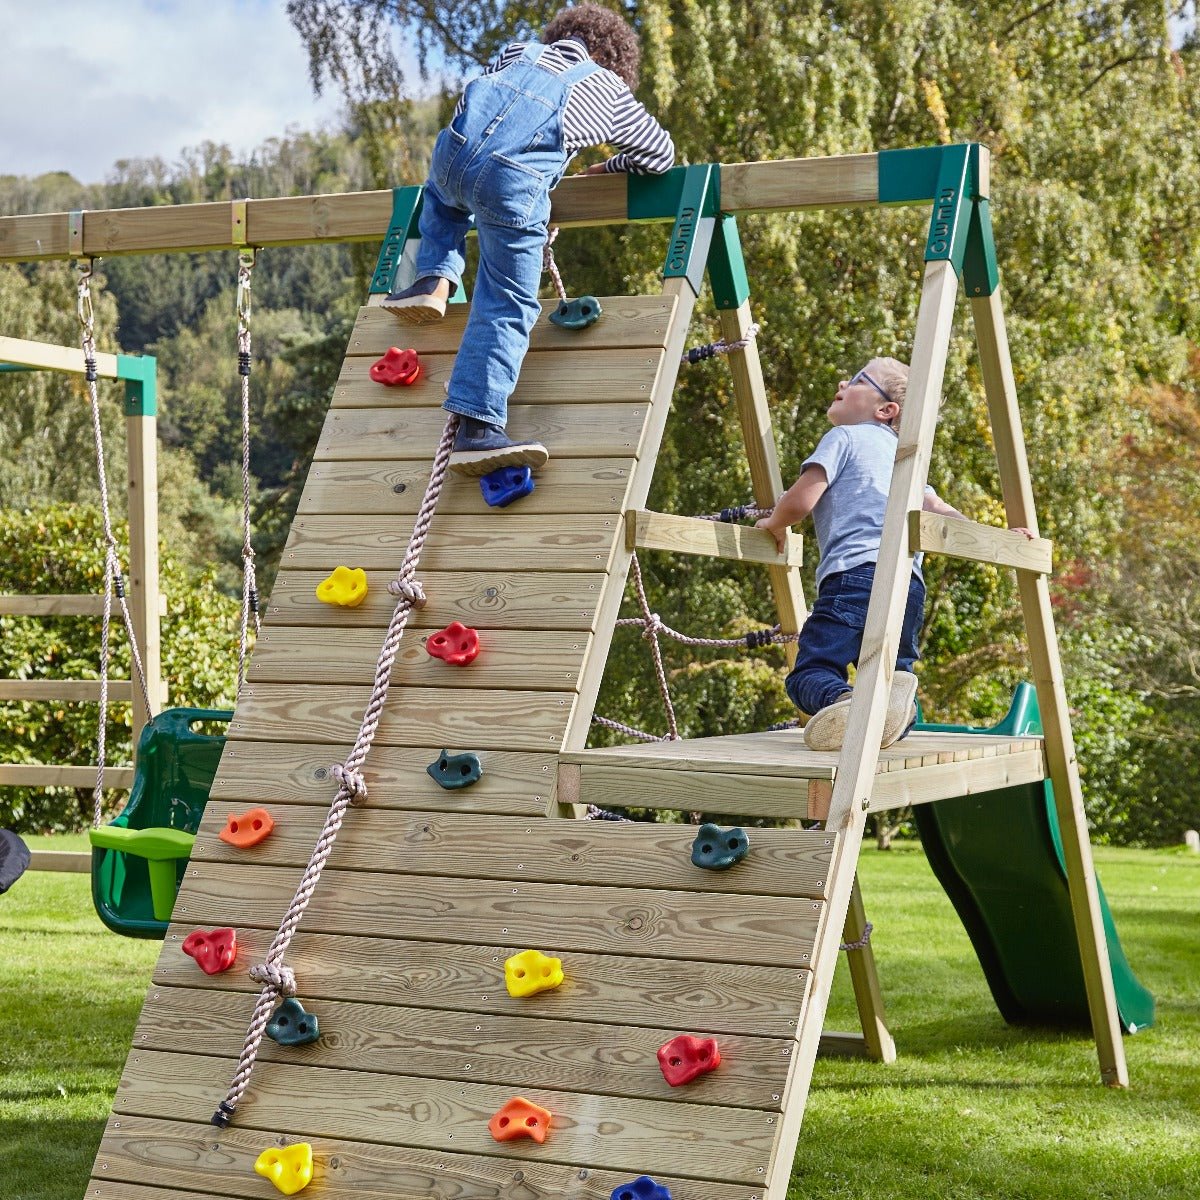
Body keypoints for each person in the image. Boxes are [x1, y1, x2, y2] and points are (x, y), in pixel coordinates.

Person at [383, 3, 675, 475]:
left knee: (442, 200)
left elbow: (479, 112)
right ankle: (477, 428)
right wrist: (611, 165)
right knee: (507, 300)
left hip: (451, 155)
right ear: (615, 60)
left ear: (560, 36)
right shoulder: (609, 89)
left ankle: (434, 277)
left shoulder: (517, 51)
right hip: (512, 182)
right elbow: (660, 154)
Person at [757, 357, 1033, 752]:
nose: (841, 380)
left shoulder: (845, 438)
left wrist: (774, 523)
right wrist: (994, 535)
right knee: (894, 678)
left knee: (811, 672)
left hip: (855, 576)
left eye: (855, 379)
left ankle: (845, 701)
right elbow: (943, 515)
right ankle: (897, 701)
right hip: (908, 587)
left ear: (885, 409)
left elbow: (800, 500)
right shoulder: (907, 462)